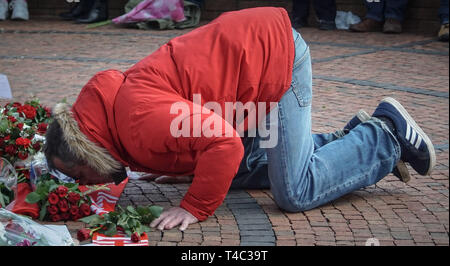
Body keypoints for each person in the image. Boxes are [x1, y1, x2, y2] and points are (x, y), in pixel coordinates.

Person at [44, 7, 435, 231]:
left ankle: (384, 136)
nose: (80, 184)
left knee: (295, 192)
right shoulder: (115, 115)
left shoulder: (138, 120)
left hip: (274, 58)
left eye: (76, 174)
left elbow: (224, 143)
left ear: (87, 152)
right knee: (245, 167)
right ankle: (349, 139)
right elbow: (196, 131)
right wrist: (185, 166)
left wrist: (195, 206)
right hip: (251, 63)